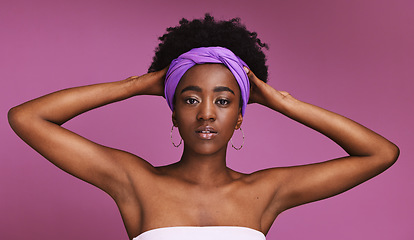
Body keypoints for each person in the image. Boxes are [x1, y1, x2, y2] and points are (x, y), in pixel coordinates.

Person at [8, 14, 399, 240]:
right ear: (174, 111)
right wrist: (136, 84)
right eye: (190, 99)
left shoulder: (267, 190)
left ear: (241, 114)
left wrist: (283, 102)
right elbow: (26, 118)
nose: (207, 114)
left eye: (225, 101)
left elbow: (381, 153)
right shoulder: (134, 182)